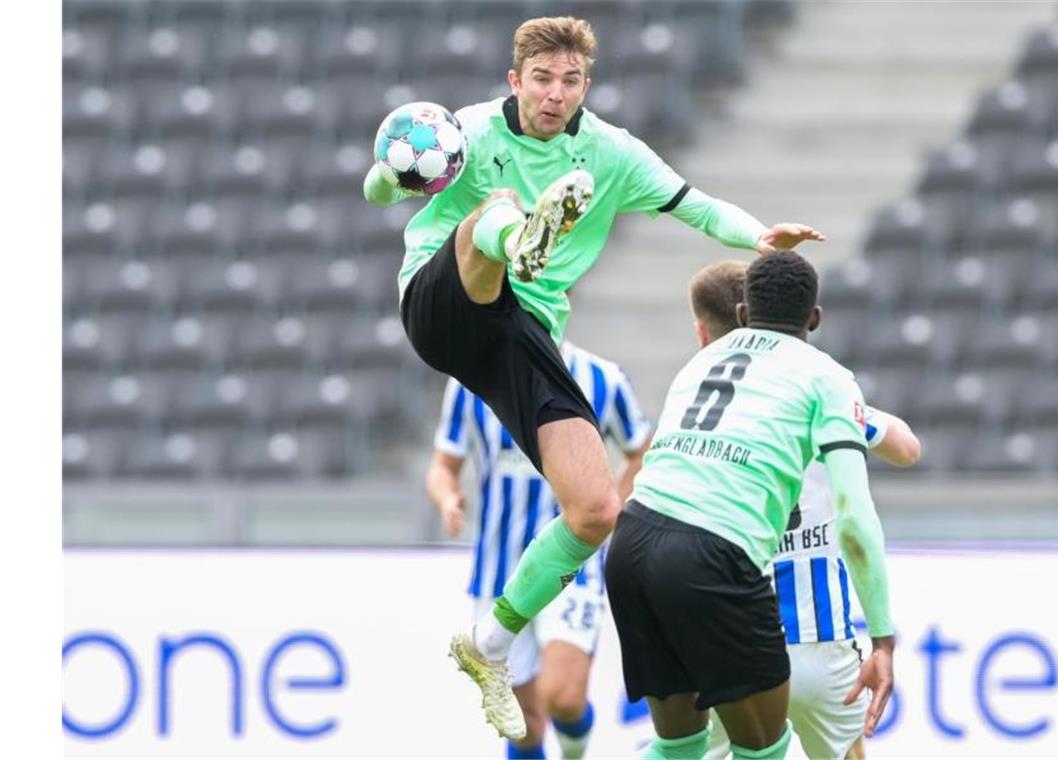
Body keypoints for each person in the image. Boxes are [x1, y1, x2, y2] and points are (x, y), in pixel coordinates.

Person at [362, 15, 825, 738]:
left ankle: (488, 643)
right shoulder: (470, 132)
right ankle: (523, 237)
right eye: (542, 80)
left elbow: (695, 205)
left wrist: (760, 238)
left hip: (524, 336)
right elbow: (382, 192)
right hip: (444, 298)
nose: (555, 94)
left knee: (595, 509)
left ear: (586, 85)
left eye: (570, 81)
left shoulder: (610, 153)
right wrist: (389, 173)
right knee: (495, 210)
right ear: (516, 81)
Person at [604, 252, 894, 760]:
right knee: (763, 748)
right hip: (709, 557)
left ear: (741, 314)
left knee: (680, 749)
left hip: (631, 546)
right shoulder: (825, 377)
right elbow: (854, 519)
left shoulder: (697, 363)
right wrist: (884, 639)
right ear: (815, 318)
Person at [685, 261, 920, 760]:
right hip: (819, 638)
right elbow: (907, 448)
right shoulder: (825, 390)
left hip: (734, 631)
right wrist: (865, 419)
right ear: (813, 318)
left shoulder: (703, 402)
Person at [427, 337, 652, 759]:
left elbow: (641, 451)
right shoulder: (470, 379)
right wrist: (448, 498)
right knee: (524, 724)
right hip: (499, 568)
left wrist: (612, 512)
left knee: (562, 696)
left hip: (573, 565)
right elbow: (443, 465)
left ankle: (572, 752)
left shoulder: (602, 377)